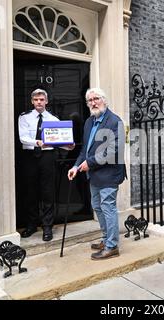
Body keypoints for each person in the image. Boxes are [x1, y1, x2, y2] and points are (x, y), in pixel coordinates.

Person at [67, 88, 126, 260]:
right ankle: (106, 238)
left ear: (104, 100)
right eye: (90, 100)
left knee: (108, 208)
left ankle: (112, 246)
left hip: (109, 174)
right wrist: (76, 166)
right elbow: (85, 150)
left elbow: (114, 150)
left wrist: (89, 163)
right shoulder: (88, 122)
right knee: (98, 207)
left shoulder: (115, 121)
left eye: (96, 99)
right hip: (94, 175)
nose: (93, 102)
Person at [18, 88, 74, 242]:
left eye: (41, 100)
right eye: (36, 100)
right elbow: (23, 138)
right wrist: (37, 142)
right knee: (30, 191)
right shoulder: (24, 117)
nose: (39, 102)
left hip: (47, 157)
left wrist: (67, 146)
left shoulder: (54, 119)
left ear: (46, 101)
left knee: (48, 192)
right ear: (32, 101)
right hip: (30, 157)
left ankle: (47, 226)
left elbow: (57, 140)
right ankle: (31, 225)